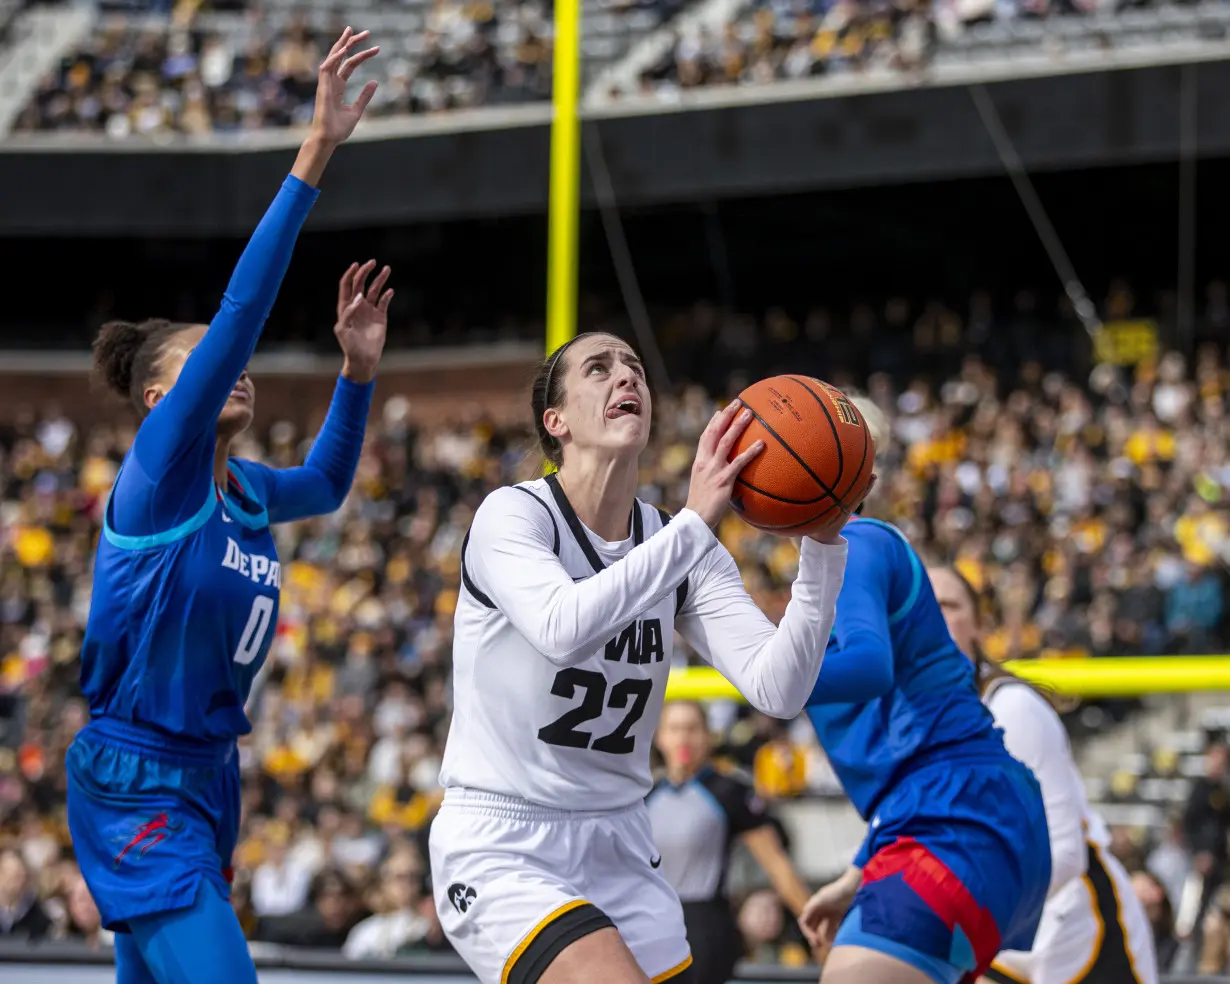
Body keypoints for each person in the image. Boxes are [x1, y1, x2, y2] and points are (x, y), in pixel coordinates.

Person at [64, 27, 387, 984]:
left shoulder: (242, 490)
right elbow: (244, 310)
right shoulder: (159, 472)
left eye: (231, 361)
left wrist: (357, 375)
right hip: (136, 778)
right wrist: (316, 150)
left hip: (208, 776)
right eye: (208, 364)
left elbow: (326, 484)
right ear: (165, 399)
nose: (233, 367)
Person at [430, 332, 855, 984]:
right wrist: (694, 524)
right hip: (506, 841)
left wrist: (821, 550)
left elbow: (779, 688)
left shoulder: (679, 542)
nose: (624, 377)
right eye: (598, 369)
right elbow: (561, 627)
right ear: (558, 420)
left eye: (633, 368)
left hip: (621, 841)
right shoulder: (512, 517)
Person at [797, 396, 1051, 984]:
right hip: (955, 817)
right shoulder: (839, 565)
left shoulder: (855, 544)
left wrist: (756, 670)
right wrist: (857, 874)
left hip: (955, 819)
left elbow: (866, 667)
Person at [928, 564, 1158, 984]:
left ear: (979, 625)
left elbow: (1066, 853)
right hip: (998, 928)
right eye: (925, 604)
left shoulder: (1010, 708)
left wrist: (962, 913)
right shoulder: (912, 722)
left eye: (949, 604)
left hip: (1075, 927)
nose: (936, 615)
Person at [648, 699, 814, 984]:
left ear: (707, 736)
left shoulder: (728, 790)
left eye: (692, 729)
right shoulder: (645, 794)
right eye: (674, 729)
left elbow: (777, 865)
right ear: (660, 737)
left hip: (705, 925)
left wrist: (815, 921)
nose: (683, 738)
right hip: (653, 923)